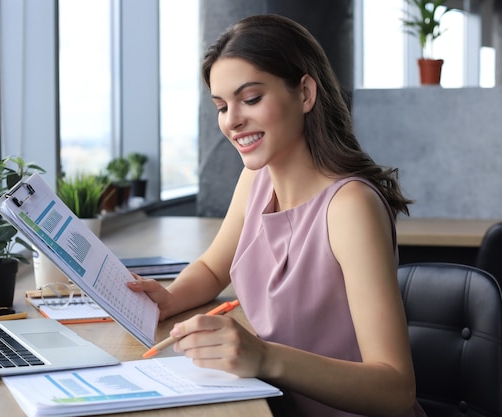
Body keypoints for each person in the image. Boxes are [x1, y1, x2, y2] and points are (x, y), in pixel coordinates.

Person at [128, 14, 425, 417]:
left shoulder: (350, 206)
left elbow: (395, 389)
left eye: (250, 99)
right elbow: (214, 269)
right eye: (221, 106)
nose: (232, 121)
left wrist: (265, 358)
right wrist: (168, 299)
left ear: (304, 93)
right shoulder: (256, 179)